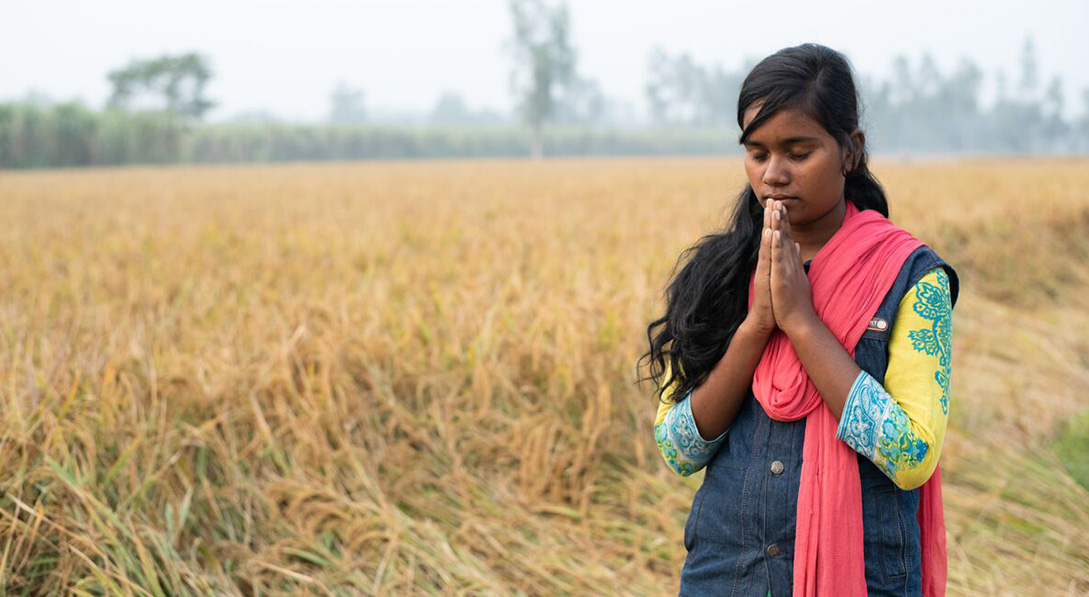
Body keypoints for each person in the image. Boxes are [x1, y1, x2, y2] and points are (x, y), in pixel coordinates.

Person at [641, 43, 959, 597]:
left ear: (850, 151)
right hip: (726, 575)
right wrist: (757, 325)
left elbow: (910, 456)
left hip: (867, 576)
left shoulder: (910, 277)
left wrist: (802, 322)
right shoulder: (716, 276)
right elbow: (679, 449)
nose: (774, 174)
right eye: (758, 153)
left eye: (798, 151)